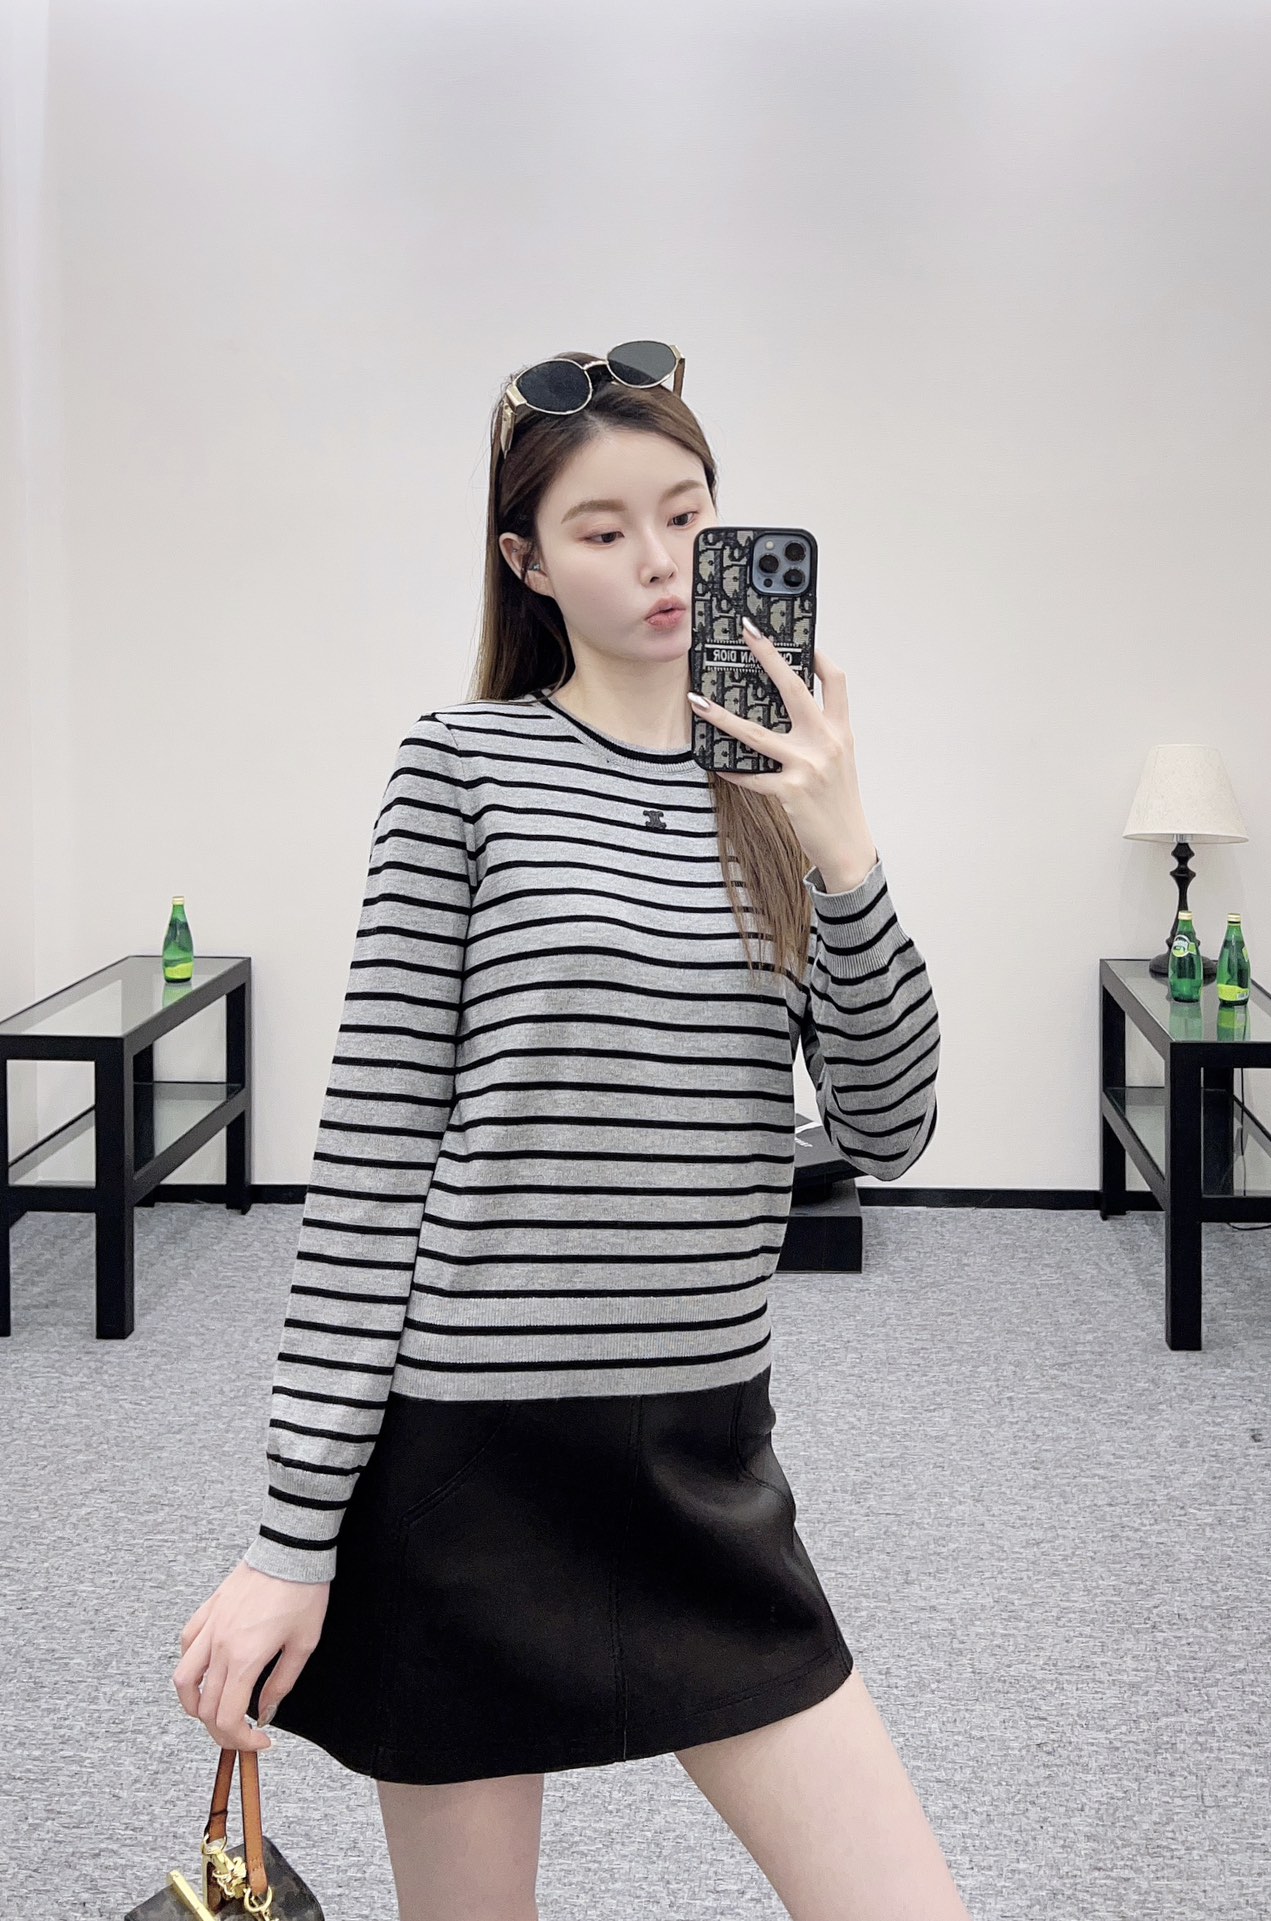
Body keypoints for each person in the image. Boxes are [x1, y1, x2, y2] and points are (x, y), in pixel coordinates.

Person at [173, 343, 969, 1921]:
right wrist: (289, 1539)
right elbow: (373, 1170)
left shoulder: (780, 798)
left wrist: (847, 850)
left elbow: (890, 1121)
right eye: (603, 529)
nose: (660, 559)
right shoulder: (460, 770)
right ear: (526, 561)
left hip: (699, 1461)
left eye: (686, 513)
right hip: (469, 1467)